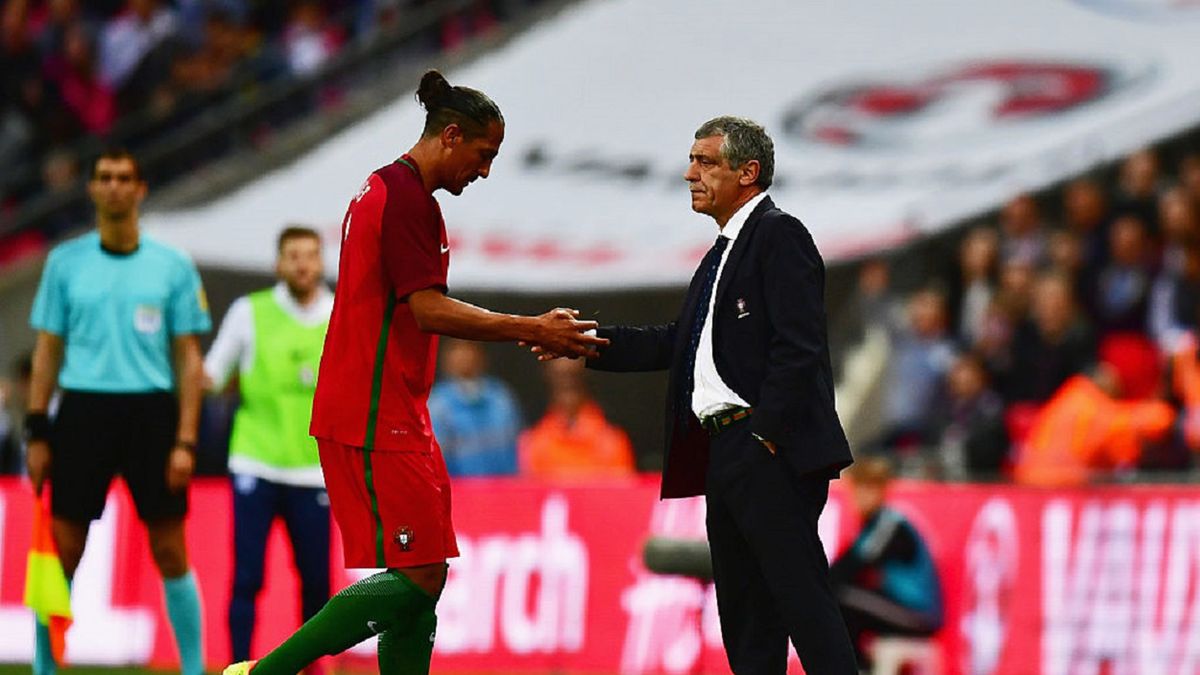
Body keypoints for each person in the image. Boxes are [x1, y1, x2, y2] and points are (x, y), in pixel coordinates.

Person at [222, 69, 606, 675]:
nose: (483, 172)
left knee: (425, 572)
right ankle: (263, 672)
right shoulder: (403, 199)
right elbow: (426, 310)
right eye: (483, 155)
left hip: (395, 408)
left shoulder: (391, 192)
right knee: (420, 573)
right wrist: (533, 327)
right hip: (374, 412)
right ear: (450, 136)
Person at [568, 116, 858, 672]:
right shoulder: (722, 253)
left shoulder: (779, 235)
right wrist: (584, 342)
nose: (689, 173)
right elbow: (678, 344)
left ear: (748, 172)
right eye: (692, 160)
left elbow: (800, 350)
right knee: (747, 620)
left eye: (705, 161)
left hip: (764, 449)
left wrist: (765, 437)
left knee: (803, 605)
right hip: (725, 452)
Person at [24, 148, 210, 675]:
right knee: (61, 550)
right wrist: (37, 429)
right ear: (91, 189)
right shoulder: (65, 263)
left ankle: (193, 667)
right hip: (82, 412)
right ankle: (44, 666)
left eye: (123, 177)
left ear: (140, 189)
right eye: (103, 177)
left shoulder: (172, 265)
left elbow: (188, 358)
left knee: (171, 549)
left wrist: (186, 439)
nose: (113, 186)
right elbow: (47, 350)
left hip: (151, 415)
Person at [203, 226, 334, 665]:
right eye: (293, 255)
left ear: (322, 262)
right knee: (247, 577)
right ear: (278, 264)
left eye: (310, 255)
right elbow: (212, 376)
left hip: (313, 468)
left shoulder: (341, 314)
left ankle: (309, 668)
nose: (302, 264)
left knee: (317, 581)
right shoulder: (249, 312)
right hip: (256, 463)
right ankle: (239, 667)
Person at [831, 457, 943, 670]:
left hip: (917, 614)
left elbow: (850, 568)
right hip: (898, 607)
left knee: (839, 597)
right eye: (857, 489)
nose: (860, 497)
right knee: (840, 598)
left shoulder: (889, 525)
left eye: (868, 489)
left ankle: (856, 668)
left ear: (880, 491)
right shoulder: (874, 525)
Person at [519, 358, 635, 479]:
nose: (566, 366)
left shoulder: (612, 442)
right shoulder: (532, 443)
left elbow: (622, 494)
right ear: (546, 371)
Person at [427, 338, 521, 476]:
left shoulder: (501, 398)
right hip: (458, 491)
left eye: (469, 347)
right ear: (445, 357)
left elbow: (518, 449)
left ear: (481, 354)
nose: (464, 355)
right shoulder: (437, 404)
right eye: (456, 348)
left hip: (504, 489)